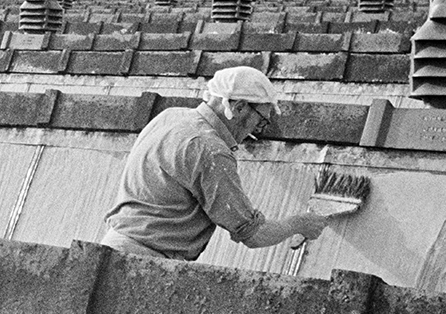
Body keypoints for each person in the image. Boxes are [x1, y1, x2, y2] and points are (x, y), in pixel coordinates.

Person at [101, 65, 336, 260]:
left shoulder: (169, 117)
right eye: (261, 120)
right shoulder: (211, 151)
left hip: (111, 248)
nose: (257, 130)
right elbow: (253, 234)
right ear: (239, 107)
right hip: (145, 262)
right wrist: (297, 224)